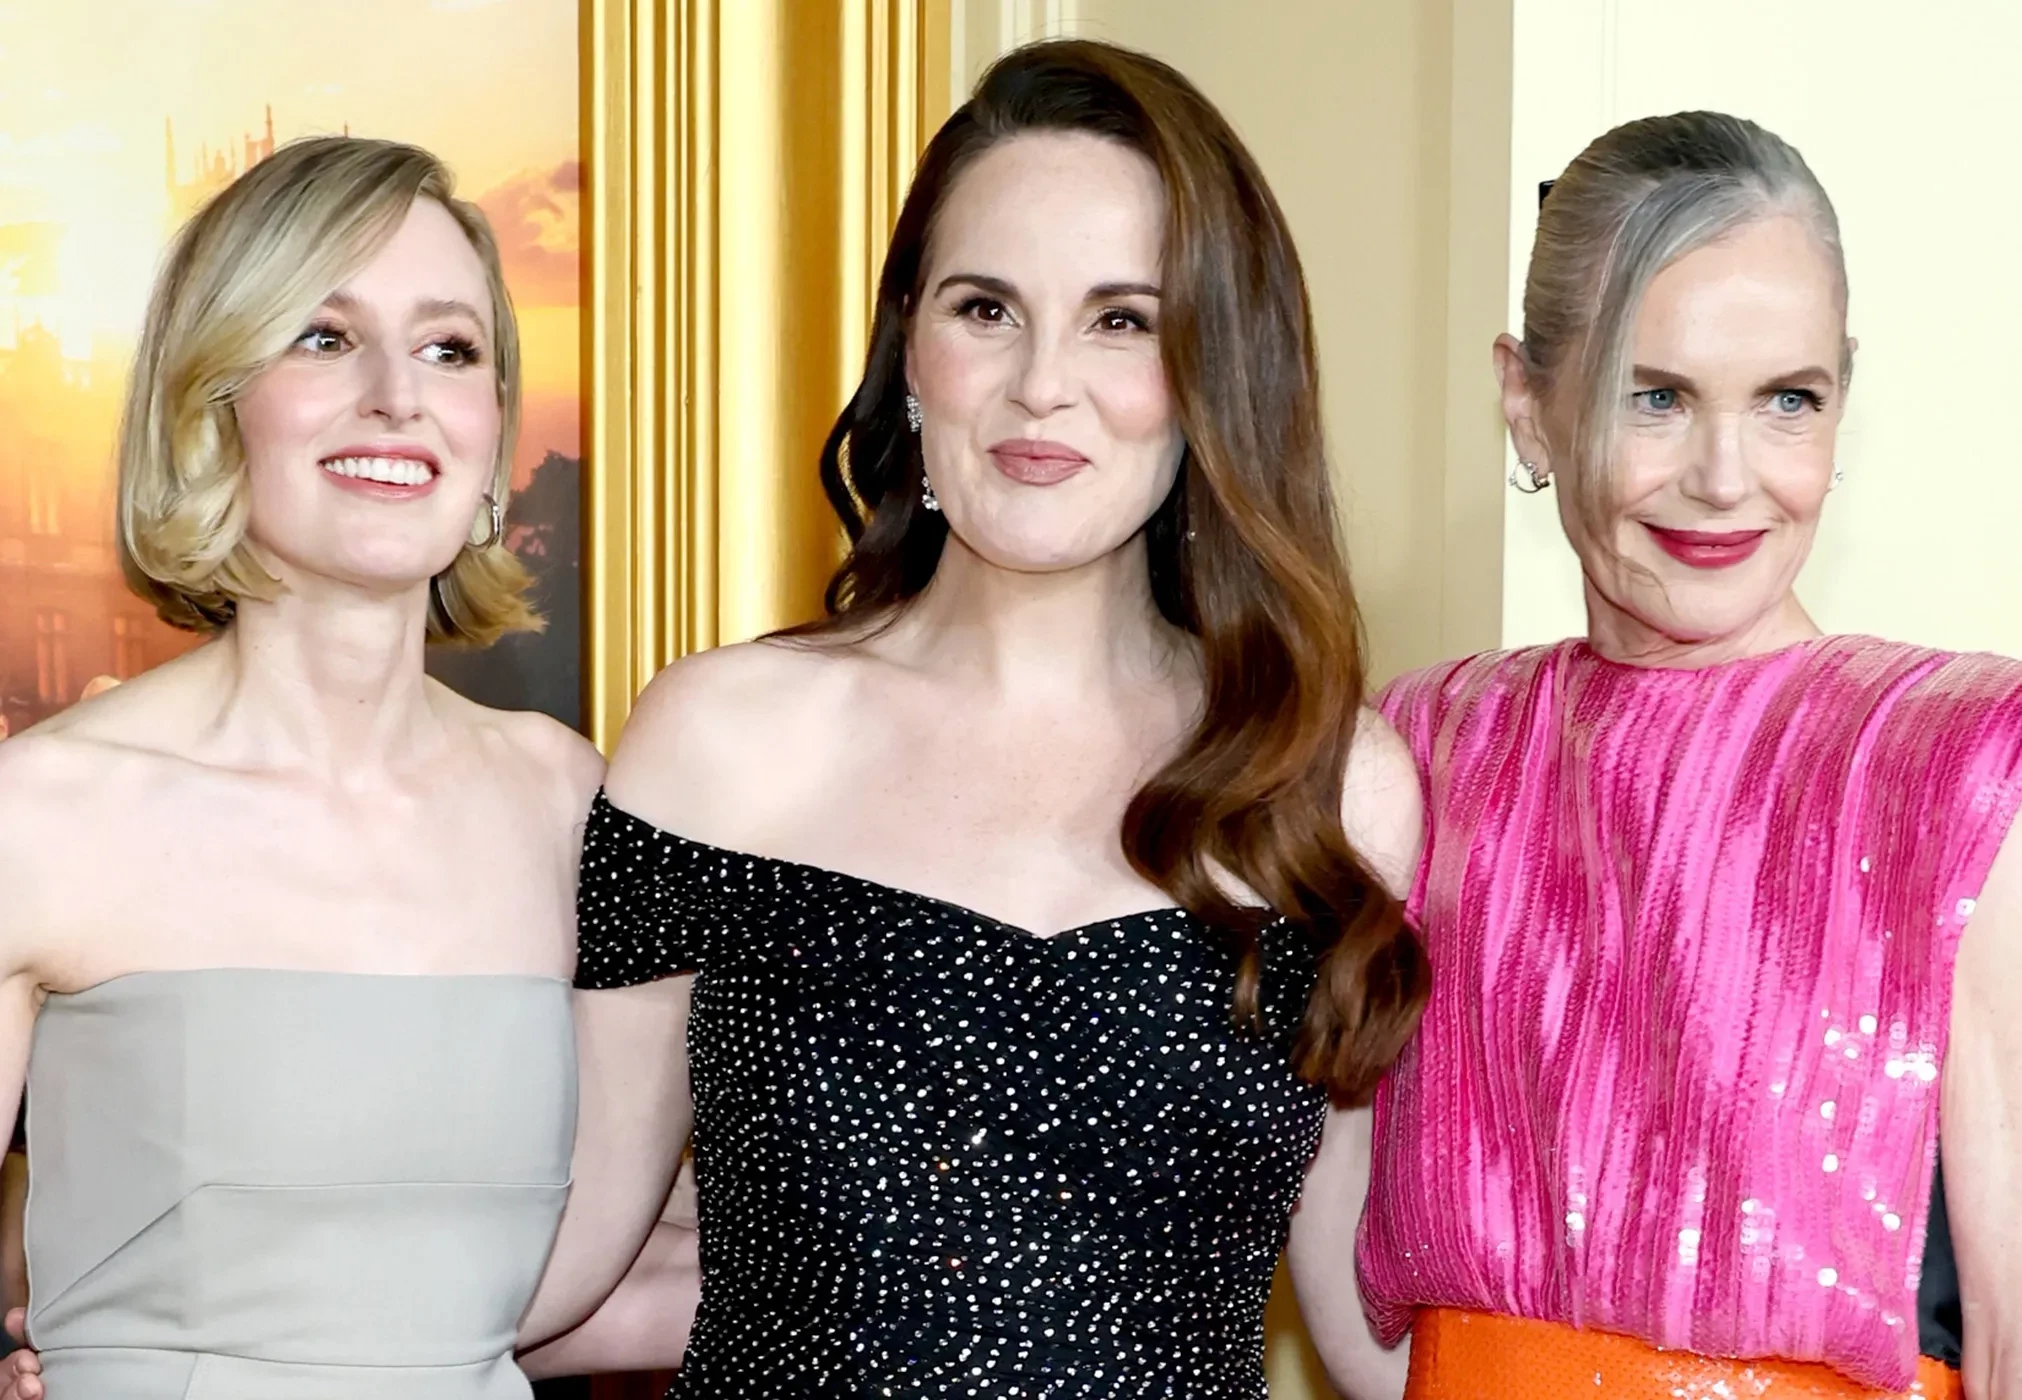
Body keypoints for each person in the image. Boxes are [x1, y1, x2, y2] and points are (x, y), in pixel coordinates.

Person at [509, 37, 1430, 1400]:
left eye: (1122, 320)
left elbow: (1369, 1337)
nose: (1040, 382)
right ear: (910, 351)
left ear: (1214, 374)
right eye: (986, 308)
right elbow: (571, 1251)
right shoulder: (722, 741)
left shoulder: (1330, 781)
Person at [1353, 111, 2022, 1399]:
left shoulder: (1969, 767)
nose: (1725, 477)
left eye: (1788, 400)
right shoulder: (1420, 752)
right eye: (1655, 396)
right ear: (1528, 405)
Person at [0, 135, 614, 1398]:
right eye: (325, 338)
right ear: (210, 402)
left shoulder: (568, 802)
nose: (397, 395)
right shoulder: (45, 813)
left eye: (450, 349)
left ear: (492, 431)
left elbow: (674, 1258)